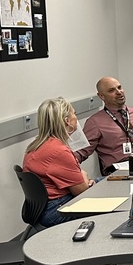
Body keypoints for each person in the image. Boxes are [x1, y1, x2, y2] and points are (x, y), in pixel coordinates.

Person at [23, 97, 95, 227]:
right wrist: (84, 176)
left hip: (44, 207)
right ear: (67, 121)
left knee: (102, 182)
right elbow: (82, 191)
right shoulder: (59, 151)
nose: (76, 118)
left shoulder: (36, 145)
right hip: (56, 210)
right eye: (74, 113)